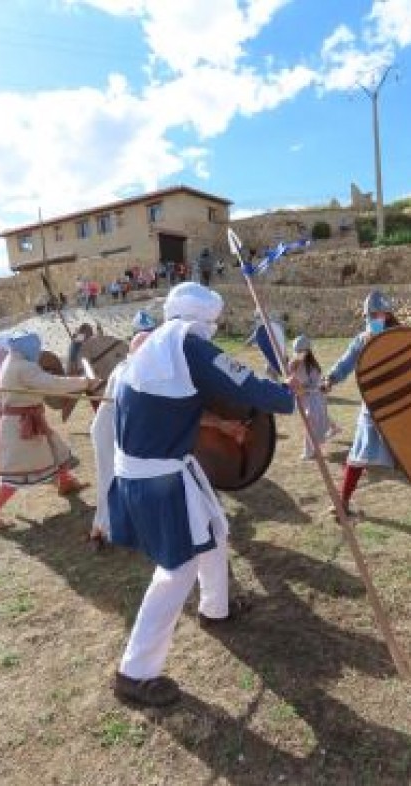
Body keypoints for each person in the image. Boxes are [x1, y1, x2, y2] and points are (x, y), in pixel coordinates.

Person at [109, 282, 298, 707]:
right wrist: (284, 392)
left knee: (215, 531)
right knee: (176, 569)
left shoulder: (156, 348)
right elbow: (246, 384)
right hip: (157, 479)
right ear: (203, 319)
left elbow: (179, 410)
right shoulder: (187, 347)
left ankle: (217, 608)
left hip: (157, 470)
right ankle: (133, 674)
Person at [322, 290, 411, 520]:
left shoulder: (402, 337)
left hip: (403, 407)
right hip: (373, 408)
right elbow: (346, 363)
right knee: (358, 456)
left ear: (387, 314)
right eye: (369, 315)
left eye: (376, 314)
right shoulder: (362, 340)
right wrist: (330, 379)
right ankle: (342, 502)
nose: (372, 318)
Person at [0, 331, 92, 531]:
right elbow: (52, 384)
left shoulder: (12, 360)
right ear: (26, 347)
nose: (37, 350)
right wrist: (84, 381)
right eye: (35, 346)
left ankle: (66, 483)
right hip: (20, 426)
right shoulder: (23, 366)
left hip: (29, 419)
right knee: (18, 473)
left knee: (57, 450)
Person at [88, 310, 157, 548]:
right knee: (109, 479)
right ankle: (100, 529)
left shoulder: (132, 368)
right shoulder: (127, 371)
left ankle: (115, 525)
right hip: (109, 432)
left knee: (123, 478)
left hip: (119, 429)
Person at [288, 334, 341, 460]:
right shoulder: (292, 363)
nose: (299, 354)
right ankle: (334, 428)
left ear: (307, 351)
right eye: (297, 352)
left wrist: (304, 389)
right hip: (302, 398)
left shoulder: (312, 367)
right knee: (319, 417)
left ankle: (309, 450)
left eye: (301, 351)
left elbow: (316, 387)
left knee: (311, 421)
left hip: (314, 398)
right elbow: (290, 377)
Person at [245, 311, 287, 382]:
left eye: (258, 318)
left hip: (276, 357)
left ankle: (275, 387)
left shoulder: (265, 328)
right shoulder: (276, 325)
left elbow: (248, 343)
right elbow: (249, 343)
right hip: (283, 357)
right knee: (270, 371)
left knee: (269, 370)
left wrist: (256, 344)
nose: (257, 320)